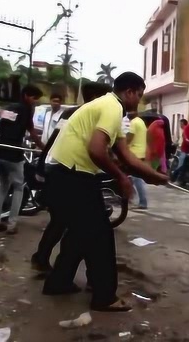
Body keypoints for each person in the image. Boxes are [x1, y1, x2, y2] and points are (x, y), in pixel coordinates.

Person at [42, 72, 168, 312]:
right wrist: (121, 178)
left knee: (81, 234)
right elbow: (96, 150)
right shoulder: (112, 107)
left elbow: (126, 155)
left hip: (64, 174)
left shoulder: (109, 107)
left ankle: (58, 282)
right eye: (139, 95)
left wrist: (153, 176)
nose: (139, 101)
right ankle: (104, 296)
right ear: (129, 92)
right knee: (100, 236)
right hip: (72, 175)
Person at [31, 82, 112, 273]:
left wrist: (42, 166)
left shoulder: (70, 114)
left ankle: (42, 258)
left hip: (57, 172)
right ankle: (74, 273)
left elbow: (52, 141)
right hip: (72, 176)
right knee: (81, 226)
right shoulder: (92, 115)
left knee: (60, 221)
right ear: (97, 97)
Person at [0, 85, 45, 234]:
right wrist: (43, 147)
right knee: (19, 188)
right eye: (34, 98)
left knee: (3, 186)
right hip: (14, 153)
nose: (34, 102)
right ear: (27, 95)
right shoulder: (25, 109)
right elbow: (31, 130)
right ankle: (12, 224)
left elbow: (5, 127)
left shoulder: (9, 108)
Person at [125, 110, 149, 210]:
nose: (127, 114)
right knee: (132, 177)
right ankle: (130, 198)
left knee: (136, 179)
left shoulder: (134, 123)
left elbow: (129, 138)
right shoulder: (141, 122)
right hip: (141, 152)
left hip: (134, 153)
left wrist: (121, 145)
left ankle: (143, 202)